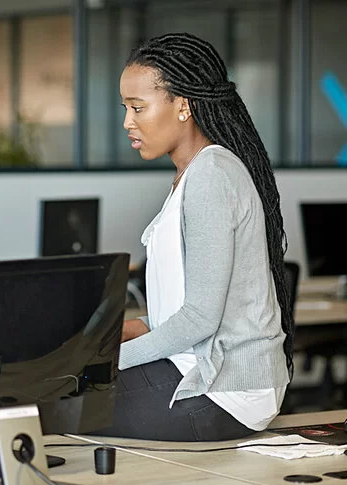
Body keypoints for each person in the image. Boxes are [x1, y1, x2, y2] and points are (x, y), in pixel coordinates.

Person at [97, 32, 294, 441]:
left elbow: (201, 320)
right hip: (202, 369)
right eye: (125, 108)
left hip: (227, 390)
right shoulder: (192, 175)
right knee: (62, 399)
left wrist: (107, 360)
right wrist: (134, 327)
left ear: (182, 105)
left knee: (62, 404)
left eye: (137, 108)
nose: (127, 122)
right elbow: (198, 312)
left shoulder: (211, 175)